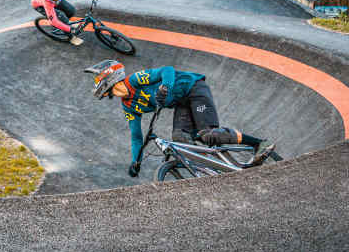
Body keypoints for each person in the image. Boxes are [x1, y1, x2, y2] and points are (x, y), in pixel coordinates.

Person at [86, 59, 275, 176]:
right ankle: (212, 167)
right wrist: (136, 161)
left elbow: (167, 70)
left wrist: (165, 86)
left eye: (108, 91)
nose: (111, 95)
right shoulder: (128, 106)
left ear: (111, 82)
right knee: (180, 138)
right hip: (182, 103)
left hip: (194, 88)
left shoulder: (135, 79)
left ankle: (259, 144)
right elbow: (136, 136)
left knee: (207, 134)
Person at [31, 0, 97, 46]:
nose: (55, 2)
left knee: (71, 10)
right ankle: (71, 37)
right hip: (40, 4)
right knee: (61, 17)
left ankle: (64, 24)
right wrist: (70, 30)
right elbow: (53, 21)